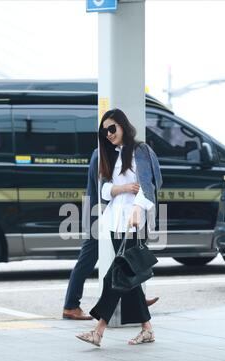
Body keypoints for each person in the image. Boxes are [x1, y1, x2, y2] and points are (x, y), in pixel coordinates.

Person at [75, 108, 162, 345]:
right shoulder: (110, 154)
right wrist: (123, 189)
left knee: (116, 275)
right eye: (105, 132)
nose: (109, 134)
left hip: (134, 222)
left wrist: (138, 208)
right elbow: (104, 190)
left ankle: (98, 330)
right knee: (128, 276)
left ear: (123, 125)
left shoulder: (141, 151)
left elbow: (152, 184)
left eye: (112, 128)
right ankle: (147, 329)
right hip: (115, 222)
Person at [62, 145, 159, 320]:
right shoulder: (101, 155)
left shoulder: (101, 154)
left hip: (99, 211)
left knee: (124, 259)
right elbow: (102, 189)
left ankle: (138, 301)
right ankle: (71, 305)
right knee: (91, 258)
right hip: (99, 213)